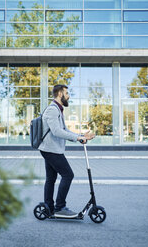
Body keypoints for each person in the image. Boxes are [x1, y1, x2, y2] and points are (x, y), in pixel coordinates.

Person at [38, 84, 95, 218]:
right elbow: (57, 131)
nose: (68, 96)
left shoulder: (58, 109)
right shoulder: (53, 110)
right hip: (51, 150)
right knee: (68, 175)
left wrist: (81, 136)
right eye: (67, 93)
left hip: (51, 149)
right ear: (60, 94)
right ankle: (60, 207)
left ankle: (49, 208)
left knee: (51, 179)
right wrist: (78, 138)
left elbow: (64, 130)